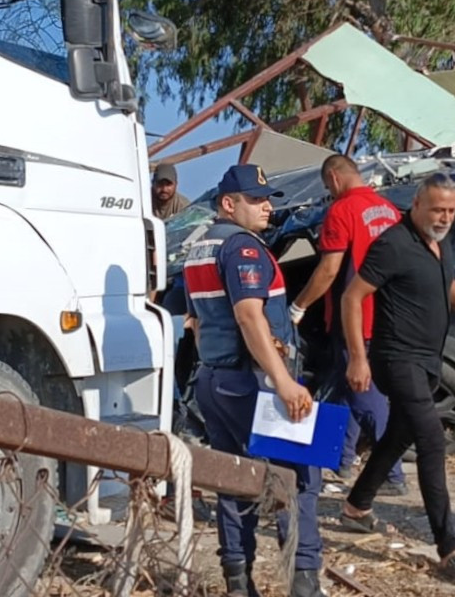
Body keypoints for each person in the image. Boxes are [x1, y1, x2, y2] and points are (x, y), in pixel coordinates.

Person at [336, 173, 455, 584]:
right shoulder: (393, 244)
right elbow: (351, 296)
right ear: (417, 204)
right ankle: (449, 546)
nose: (445, 217)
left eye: (450, 210)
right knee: (431, 440)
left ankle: (356, 503)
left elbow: (445, 284)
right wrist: (358, 358)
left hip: (428, 359)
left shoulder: (437, 241)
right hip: (396, 359)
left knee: (399, 435)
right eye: (437, 209)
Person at [182, 163, 325, 597]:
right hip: (256, 382)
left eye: (267, 199)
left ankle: (238, 582)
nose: (266, 207)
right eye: (256, 200)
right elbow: (249, 315)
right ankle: (304, 581)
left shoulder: (198, 247)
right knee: (297, 477)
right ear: (229, 204)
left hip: (214, 379)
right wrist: (283, 381)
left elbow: (192, 320)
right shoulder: (244, 248)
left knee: (234, 479)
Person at [288, 154, 406, 493]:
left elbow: (328, 271)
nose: (329, 192)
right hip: (386, 316)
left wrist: (299, 306)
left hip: (354, 318)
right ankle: (338, 460)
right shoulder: (389, 211)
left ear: (335, 179)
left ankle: (392, 473)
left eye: (327, 187)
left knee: (365, 396)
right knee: (341, 390)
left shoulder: (341, 211)